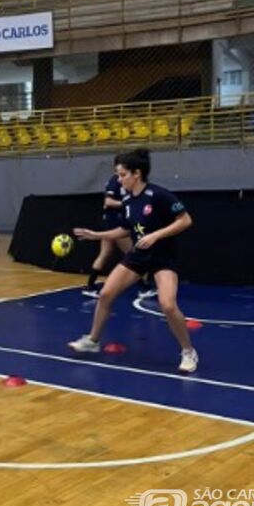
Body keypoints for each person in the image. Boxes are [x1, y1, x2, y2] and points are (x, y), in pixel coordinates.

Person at [68, 148, 199, 373]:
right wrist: (95, 235)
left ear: (136, 174)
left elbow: (185, 220)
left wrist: (156, 235)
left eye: (122, 175)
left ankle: (188, 351)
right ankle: (93, 340)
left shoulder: (159, 195)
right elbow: (124, 230)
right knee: (106, 294)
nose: (118, 180)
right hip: (138, 257)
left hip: (162, 258)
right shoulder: (128, 201)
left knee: (167, 305)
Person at [84, 156, 157, 299]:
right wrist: (127, 203)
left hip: (113, 222)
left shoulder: (132, 184)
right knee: (133, 253)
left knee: (105, 254)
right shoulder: (115, 181)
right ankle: (143, 288)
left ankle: (90, 286)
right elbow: (108, 201)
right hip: (114, 223)